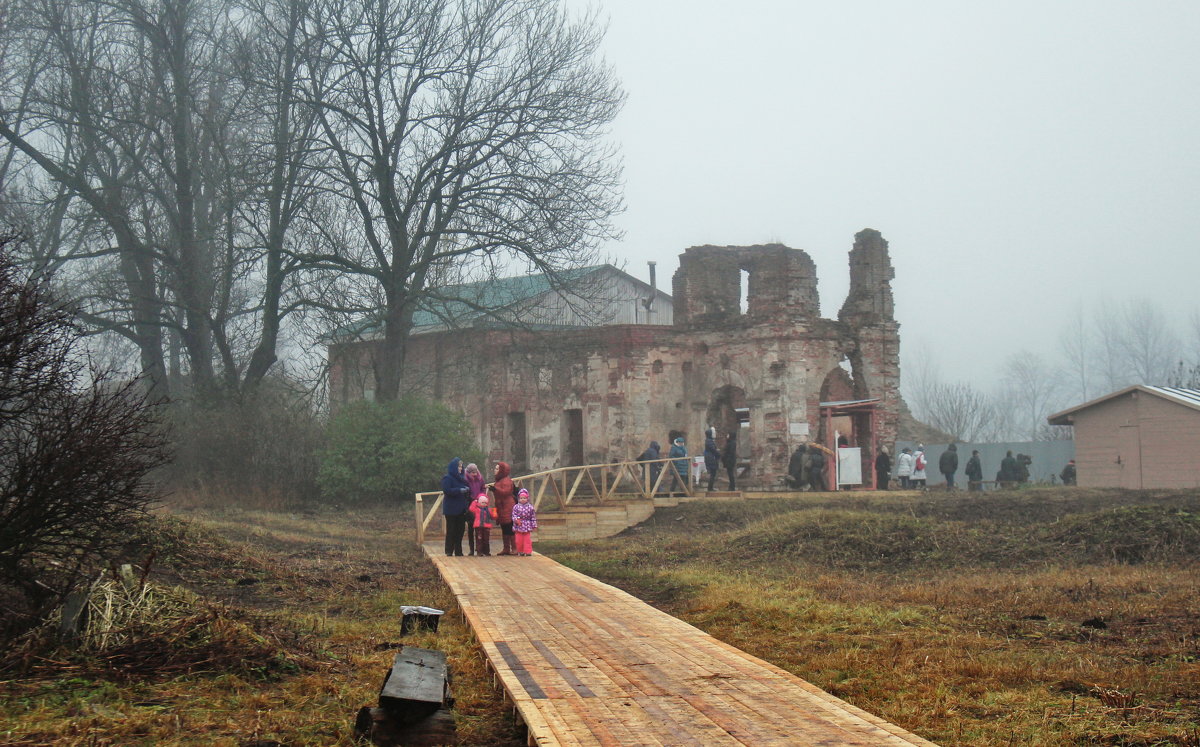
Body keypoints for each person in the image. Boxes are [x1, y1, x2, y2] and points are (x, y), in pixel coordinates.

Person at [441, 458, 472, 556]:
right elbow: (447, 490)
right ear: (454, 467)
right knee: (451, 530)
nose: (461, 468)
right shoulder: (447, 478)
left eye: (461, 466)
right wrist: (459, 490)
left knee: (460, 530)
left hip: (461, 508)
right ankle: (449, 550)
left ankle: (458, 550)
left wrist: (467, 490)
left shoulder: (462, 478)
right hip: (451, 508)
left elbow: (467, 488)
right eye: (459, 466)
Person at [491, 461, 516, 555]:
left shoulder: (506, 480)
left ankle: (514, 548)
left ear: (502, 470)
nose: (495, 470)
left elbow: (506, 492)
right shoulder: (499, 480)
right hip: (501, 506)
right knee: (504, 528)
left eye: (497, 469)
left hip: (508, 506)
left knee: (510, 527)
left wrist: (495, 489)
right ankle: (506, 548)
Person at [463, 463, 486, 555]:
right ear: (468, 472)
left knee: (479, 527)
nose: (475, 474)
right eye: (473, 472)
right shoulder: (464, 479)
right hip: (469, 503)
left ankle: (479, 548)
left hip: (479, 503)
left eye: (476, 472)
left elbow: (483, 488)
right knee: (471, 527)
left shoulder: (480, 478)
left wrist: (481, 497)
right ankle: (471, 549)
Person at [511, 488, 538, 556]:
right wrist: (516, 519)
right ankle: (520, 551)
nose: (522, 499)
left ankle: (528, 551)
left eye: (524, 498)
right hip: (518, 526)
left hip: (527, 525)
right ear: (518, 499)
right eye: (521, 498)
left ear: (527, 498)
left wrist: (534, 525)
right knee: (518, 540)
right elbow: (513, 515)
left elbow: (533, 517)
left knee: (527, 540)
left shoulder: (530, 507)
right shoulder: (516, 507)